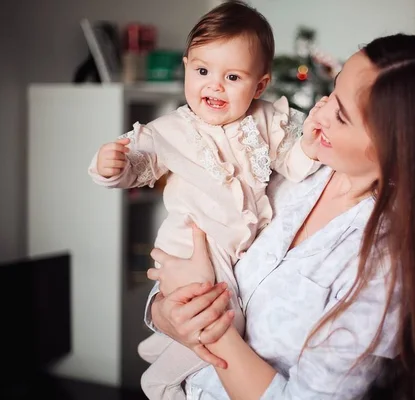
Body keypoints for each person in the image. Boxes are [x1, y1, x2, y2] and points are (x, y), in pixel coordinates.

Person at [146, 32, 415, 400]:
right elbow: (195, 261)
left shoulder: (387, 266)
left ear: (397, 149)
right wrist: (167, 312)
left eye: (341, 116)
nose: (319, 111)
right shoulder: (293, 165)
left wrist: (212, 328)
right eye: (333, 90)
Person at [87, 2, 322, 399]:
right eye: (202, 71)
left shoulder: (267, 120)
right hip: (192, 244)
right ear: (186, 68)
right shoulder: (172, 129)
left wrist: (313, 146)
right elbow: (138, 164)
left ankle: (164, 348)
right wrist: (108, 167)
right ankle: (160, 380)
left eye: (232, 76)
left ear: (260, 85)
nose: (213, 85)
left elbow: (295, 164)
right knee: (226, 323)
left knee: (215, 320)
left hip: (239, 251)